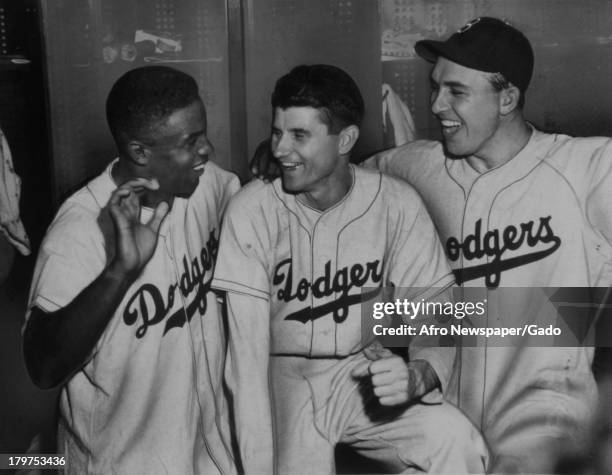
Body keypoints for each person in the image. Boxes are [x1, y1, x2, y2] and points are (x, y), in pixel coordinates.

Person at [360, 17, 612, 473]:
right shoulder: (413, 169)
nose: (437, 105)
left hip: (547, 443)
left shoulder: (584, 171)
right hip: (444, 440)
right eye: (435, 87)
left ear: (508, 98)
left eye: (456, 92)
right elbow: (336, 180)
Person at [212, 64, 488, 474]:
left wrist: (420, 373)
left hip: (355, 371)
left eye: (300, 135)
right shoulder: (251, 209)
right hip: (278, 379)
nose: (280, 149)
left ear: (346, 140)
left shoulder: (395, 201)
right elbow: (245, 367)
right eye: (277, 132)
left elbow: (436, 309)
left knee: (455, 441)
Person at [23, 66, 239, 474]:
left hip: (204, 453)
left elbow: (250, 209)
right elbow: (43, 368)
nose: (207, 149)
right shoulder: (79, 232)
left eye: (203, 133)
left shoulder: (209, 184)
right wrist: (119, 272)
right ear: (140, 152)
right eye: (190, 141)